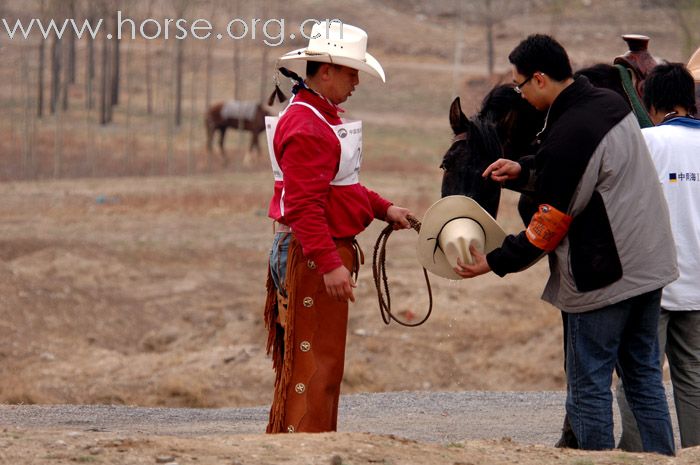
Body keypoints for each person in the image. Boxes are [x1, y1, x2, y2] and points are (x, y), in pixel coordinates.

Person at [453, 34, 677, 455]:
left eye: (520, 85)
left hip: (604, 275)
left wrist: (495, 262)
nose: (519, 93)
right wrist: (522, 169)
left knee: (589, 385)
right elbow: (574, 167)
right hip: (649, 269)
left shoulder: (573, 128)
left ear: (540, 79)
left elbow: (548, 222)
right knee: (644, 379)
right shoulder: (605, 105)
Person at [262, 20, 412, 434]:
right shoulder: (309, 126)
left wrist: (383, 208)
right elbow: (304, 207)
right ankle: (302, 450)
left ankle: (308, 445)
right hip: (312, 255)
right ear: (325, 71)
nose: (357, 82)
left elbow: (340, 188)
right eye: (351, 72)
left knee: (321, 365)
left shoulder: (318, 118)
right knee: (314, 366)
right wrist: (329, 264)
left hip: (313, 251)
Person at [617, 62, 700, 450]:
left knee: (639, 373)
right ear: (691, 101)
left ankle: (640, 456)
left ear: (651, 105)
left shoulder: (646, 143)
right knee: (695, 377)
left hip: (652, 284)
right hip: (699, 288)